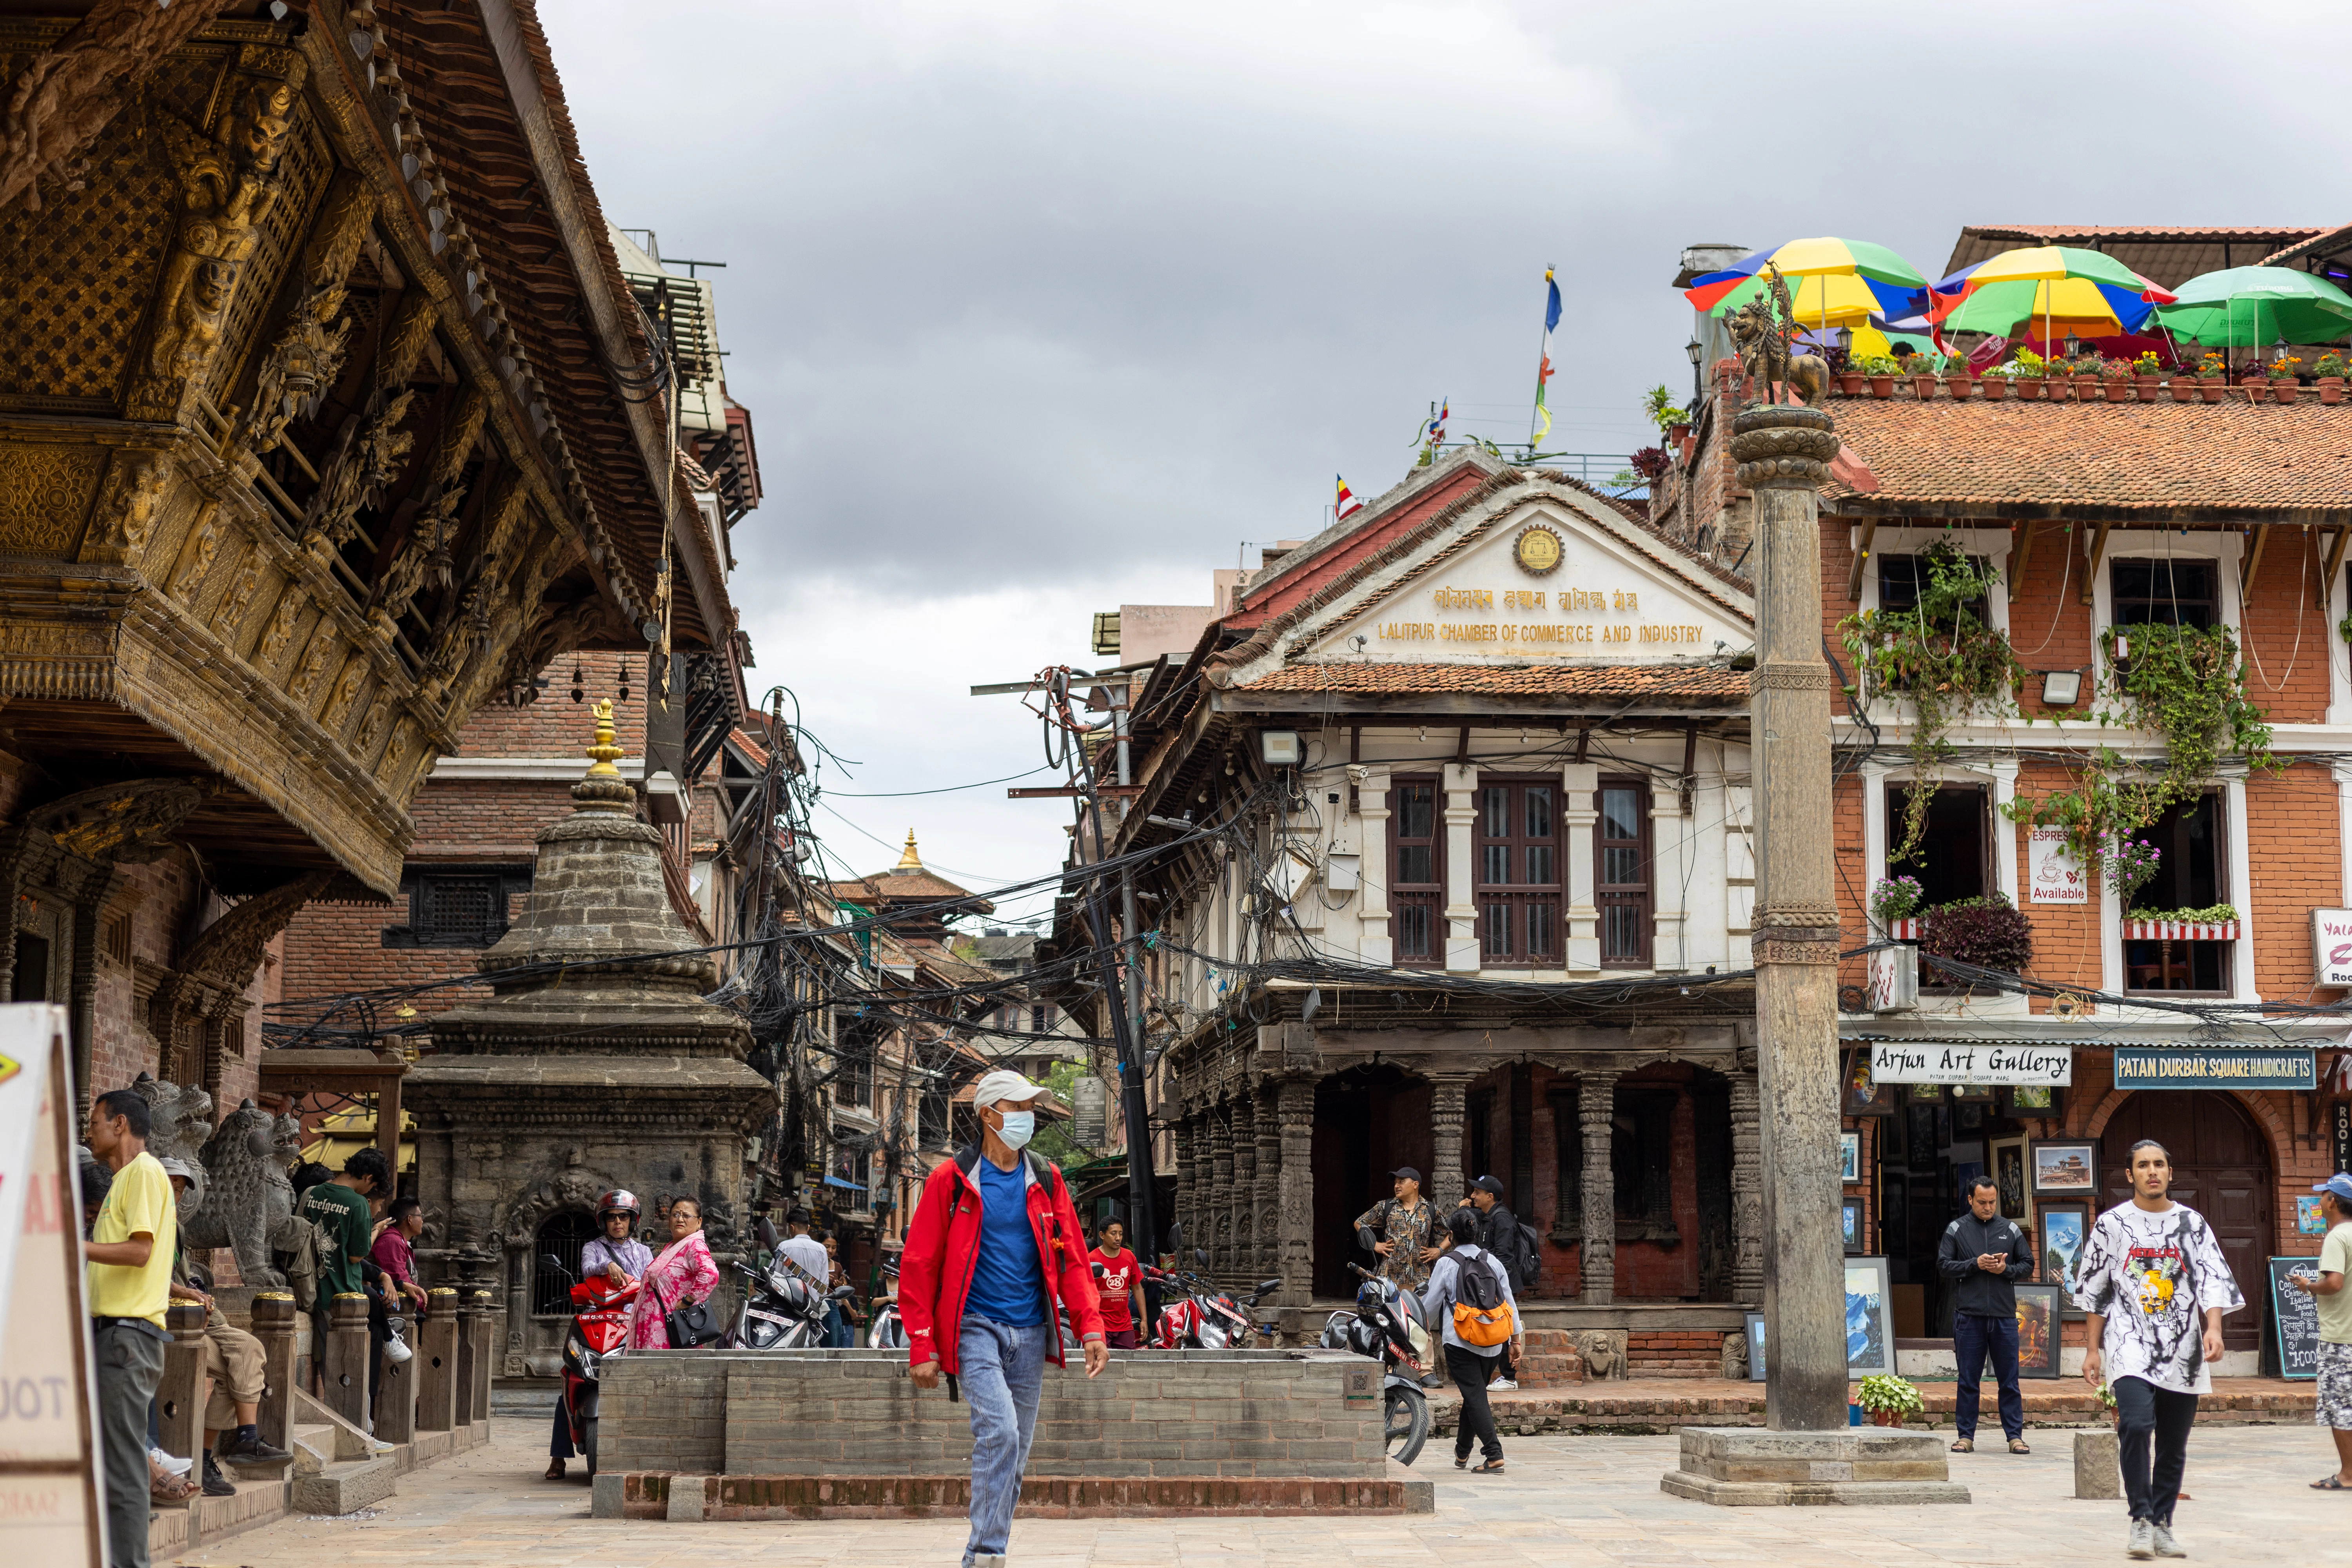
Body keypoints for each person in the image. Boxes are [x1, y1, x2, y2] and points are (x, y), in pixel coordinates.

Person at [902, 1069, 1107, 1568]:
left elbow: (1074, 1259)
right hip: (975, 1326)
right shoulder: (949, 1180)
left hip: (1032, 1332)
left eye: (1029, 1108)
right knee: (1002, 1434)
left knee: (1015, 1452)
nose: (1027, 1117)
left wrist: (1092, 1326)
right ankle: (986, 1555)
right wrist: (922, 1345)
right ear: (989, 1115)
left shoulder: (1048, 1178)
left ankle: (987, 1549)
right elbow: (919, 1264)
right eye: (1017, 1108)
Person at [2075, 1137, 2245, 1561]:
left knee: (2174, 1441)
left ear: (2170, 1172)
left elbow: (2211, 1279)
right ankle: (2141, 1518)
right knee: (2135, 1424)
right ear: (2130, 1175)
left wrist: (2214, 1327)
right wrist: (2092, 1349)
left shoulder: (2193, 1223)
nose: (2152, 1171)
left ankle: (2163, 1523)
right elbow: (2098, 1291)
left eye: (2159, 1165)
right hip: (2129, 1341)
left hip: (2183, 1346)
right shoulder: (2112, 1224)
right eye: (2143, 1165)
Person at [158, 1159, 288, 1497]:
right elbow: (147, 1270)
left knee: (247, 1350)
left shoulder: (176, 1228)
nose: (174, 1195)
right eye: (169, 1186)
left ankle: (239, 1443)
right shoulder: (145, 1220)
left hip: (197, 1316)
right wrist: (184, 1292)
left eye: (179, 1190)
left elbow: (181, 1274)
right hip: (169, 1319)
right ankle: (229, 1448)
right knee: (241, 1363)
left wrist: (197, 1291)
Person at [85, 1087, 174, 1568]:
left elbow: (140, 1251)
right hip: (115, 1335)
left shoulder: (143, 1171)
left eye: (95, 1121)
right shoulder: (124, 1179)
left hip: (127, 1337)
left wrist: (72, 1246)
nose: (90, 1130)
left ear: (119, 1124)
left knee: (122, 1466)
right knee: (112, 1461)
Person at [549, 1191, 652, 1479]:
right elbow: (587, 1269)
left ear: (633, 1221)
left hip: (632, 1323)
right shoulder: (593, 1248)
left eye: (623, 1217)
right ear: (603, 1221)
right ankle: (558, 1457)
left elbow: (650, 1281)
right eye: (611, 1217)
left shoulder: (643, 1252)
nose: (617, 1222)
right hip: (597, 1321)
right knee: (570, 1377)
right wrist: (607, 1266)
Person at [1939, 1174, 2034, 1455]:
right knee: (1968, 1379)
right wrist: (1975, 1264)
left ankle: (2015, 1437)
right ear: (1970, 1200)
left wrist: (2006, 1271)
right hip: (1969, 1316)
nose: (1988, 1207)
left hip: (2005, 1316)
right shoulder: (1957, 1229)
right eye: (1982, 1202)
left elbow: (2028, 1265)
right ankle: (1965, 1436)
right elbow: (1944, 1266)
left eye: (1993, 1202)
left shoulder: (2011, 1229)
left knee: (2010, 1380)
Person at [1419, 1207, 1519, 1474]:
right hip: (1494, 1340)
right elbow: (1510, 1303)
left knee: (1475, 1395)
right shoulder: (1493, 1261)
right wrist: (1516, 1340)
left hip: (1460, 1340)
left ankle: (1494, 1453)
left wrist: (1416, 1326)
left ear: (1451, 1235)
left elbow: (1430, 1307)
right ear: (1476, 1233)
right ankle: (1462, 1452)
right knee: (1473, 1394)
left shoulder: (1447, 1263)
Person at [298, 1146, 389, 1396]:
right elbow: (356, 1255)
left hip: (311, 1291)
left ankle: (345, 1425)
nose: (370, 1192)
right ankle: (356, 1430)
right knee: (349, 1371)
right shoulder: (358, 1203)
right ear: (368, 1178)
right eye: (372, 1187)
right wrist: (374, 1232)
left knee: (329, 1367)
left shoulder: (311, 1194)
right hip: (345, 1296)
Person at [2289, 1172, 2352, 1489]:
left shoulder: (2337, 1237)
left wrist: (2308, 1286)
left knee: (2340, 1406)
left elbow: (2334, 1283)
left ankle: (2348, 1475)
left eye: (2323, 1195)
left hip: (2342, 1338)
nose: (2320, 1199)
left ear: (2333, 1201)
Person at [1459, 1176, 1527, 1390]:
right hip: (1489, 1282)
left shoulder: (1502, 1219)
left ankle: (1509, 1378)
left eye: (1477, 1193)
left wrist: (1491, 1284)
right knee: (1497, 1325)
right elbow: (1463, 1226)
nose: (1472, 1196)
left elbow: (1505, 1257)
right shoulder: (1485, 1215)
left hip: (1499, 1282)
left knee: (1505, 1326)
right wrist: (1463, 1211)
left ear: (1490, 1197)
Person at [628, 1196, 719, 1350]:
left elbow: (710, 1274)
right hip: (656, 1326)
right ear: (669, 1220)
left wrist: (687, 1301)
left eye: (686, 1216)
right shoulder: (674, 1247)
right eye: (676, 1215)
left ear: (699, 1222)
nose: (680, 1219)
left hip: (669, 1330)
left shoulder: (694, 1246)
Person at [1090, 1218, 1145, 1350]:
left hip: (1125, 1325)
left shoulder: (1129, 1257)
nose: (1118, 1238)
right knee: (1101, 1365)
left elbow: (1137, 1288)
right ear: (1102, 1235)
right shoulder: (1092, 1259)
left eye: (1120, 1234)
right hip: (1100, 1325)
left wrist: (1144, 1319)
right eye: (1113, 1234)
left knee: (1128, 1363)